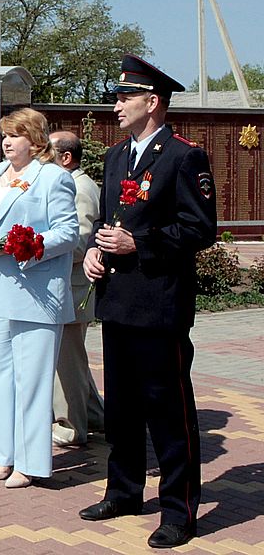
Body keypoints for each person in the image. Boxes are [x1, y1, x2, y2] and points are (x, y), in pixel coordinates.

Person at [79, 55, 217, 549]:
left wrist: (141, 245)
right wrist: (97, 249)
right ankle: (124, 491)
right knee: (122, 408)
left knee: (168, 411)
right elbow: (113, 219)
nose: (115, 104)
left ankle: (179, 511)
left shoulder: (183, 155)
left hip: (159, 304)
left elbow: (200, 228)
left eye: (124, 97)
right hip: (118, 301)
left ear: (152, 102)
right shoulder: (117, 156)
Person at [0, 108, 78, 488]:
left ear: (36, 140)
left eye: (15, 135)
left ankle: (31, 462)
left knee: (31, 381)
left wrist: (27, 246)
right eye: (5, 135)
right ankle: (3, 456)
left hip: (35, 292)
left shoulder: (52, 177)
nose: (7, 142)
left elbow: (68, 232)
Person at [50, 131, 104, 446]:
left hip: (73, 286)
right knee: (69, 359)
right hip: (63, 285)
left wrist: (39, 248)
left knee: (66, 361)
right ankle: (95, 416)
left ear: (66, 158)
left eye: (49, 152)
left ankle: (70, 426)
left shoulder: (80, 187)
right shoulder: (66, 183)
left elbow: (81, 242)